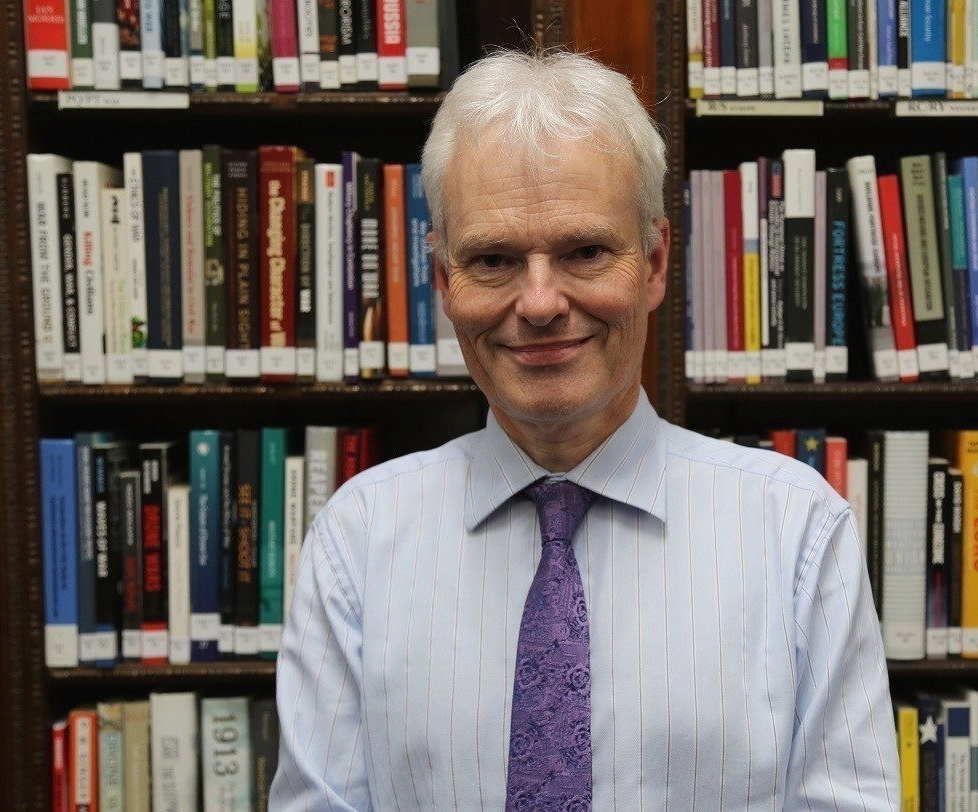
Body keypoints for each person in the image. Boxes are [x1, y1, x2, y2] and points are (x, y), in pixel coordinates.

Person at [271, 48, 899, 811]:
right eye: (494, 259)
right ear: (442, 281)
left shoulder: (797, 534)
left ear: (656, 263)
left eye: (585, 252)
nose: (540, 303)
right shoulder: (358, 543)